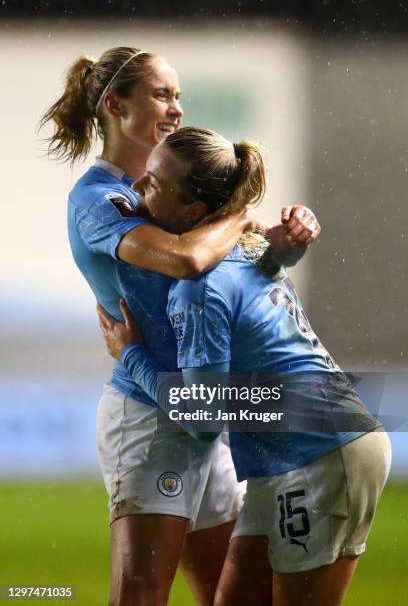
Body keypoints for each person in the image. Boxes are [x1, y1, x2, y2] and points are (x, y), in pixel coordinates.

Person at [40, 47, 321, 605]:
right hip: (148, 414)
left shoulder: (172, 184)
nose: (176, 108)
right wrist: (240, 214)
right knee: (143, 594)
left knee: (238, 594)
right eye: (163, 94)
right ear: (116, 105)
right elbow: (186, 259)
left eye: (179, 96)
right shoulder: (97, 200)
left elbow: (234, 260)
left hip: (204, 408)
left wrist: (284, 244)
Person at [97, 126, 392, 606]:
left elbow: (203, 416)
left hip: (323, 453)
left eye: (152, 183)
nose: (136, 189)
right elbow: (272, 260)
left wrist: (130, 354)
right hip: (297, 449)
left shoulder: (198, 289)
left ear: (192, 211)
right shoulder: (243, 248)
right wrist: (293, 242)